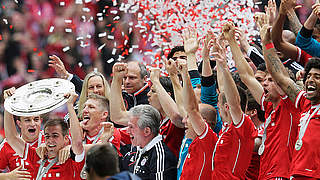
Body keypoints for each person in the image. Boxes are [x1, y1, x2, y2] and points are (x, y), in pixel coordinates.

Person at [225, 21, 300, 179]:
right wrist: (232, 42)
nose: (264, 83)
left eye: (270, 80)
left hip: (282, 175)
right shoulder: (269, 106)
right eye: (264, 80)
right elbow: (246, 76)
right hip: (265, 174)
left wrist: (267, 43)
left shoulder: (290, 106)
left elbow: (279, 75)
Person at [260, 21, 320, 179]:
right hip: (295, 174)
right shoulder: (304, 103)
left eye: (318, 77)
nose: (311, 80)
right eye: (309, 76)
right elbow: (280, 77)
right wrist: (266, 43)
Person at [3, 88, 85, 179]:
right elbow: (12, 137)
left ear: (66, 138)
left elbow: (77, 142)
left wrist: (69, 105)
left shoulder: (72, 160)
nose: (50, 140)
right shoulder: (37, 157)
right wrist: (8, 103)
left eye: (55, 136)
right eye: (47, 136)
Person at [211, 23, 256, 179]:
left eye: (219, 101)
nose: (217, 105)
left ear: (225, 106)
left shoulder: (243, 125)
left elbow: (233, 101)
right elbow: (224, 89)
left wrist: (224, 66)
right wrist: (219, 57)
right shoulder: (228, 127)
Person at [176, 55, 218, 180]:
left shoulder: (208, 141)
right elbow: (184, 104)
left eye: (188, 117)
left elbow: (192, 108)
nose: (183, 121)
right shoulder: (189, 139)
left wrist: (185, 75)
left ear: (204, 122)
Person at [120, 104, 177, 180]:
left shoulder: (160, 156)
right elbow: (117, 169)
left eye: (131, 127)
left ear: (147, 131)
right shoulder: (137, 148)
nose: (127, 131)